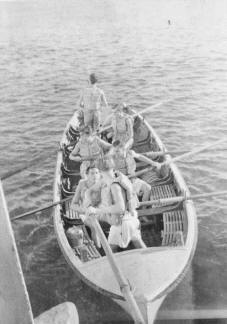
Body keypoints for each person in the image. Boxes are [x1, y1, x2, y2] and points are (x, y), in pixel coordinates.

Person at [86, 157, 146, 252]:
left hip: (121, 224)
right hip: (132, 218)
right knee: (138, 242)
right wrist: (89, 201)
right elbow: (91, 190)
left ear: (100, 171)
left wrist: (96, 210)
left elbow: (120, 207)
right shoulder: (117, 176)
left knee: (110, 250)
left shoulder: (114, 186)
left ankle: (110, 266)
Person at [70, 165, 102, 247]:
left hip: (101, 211)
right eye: (92, 173)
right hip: (86, 213)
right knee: (95, 227)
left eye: (96, 173)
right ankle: (99, 250)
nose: (95, 175)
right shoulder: (82, 183)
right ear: (87, 175)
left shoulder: (103, 183)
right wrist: (84, 210)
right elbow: (73, 205)